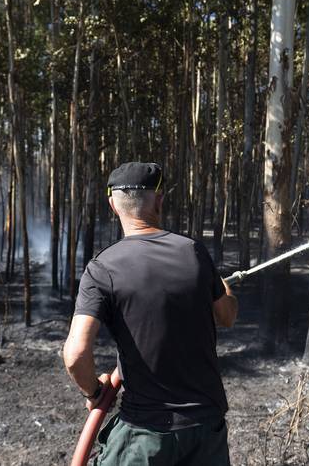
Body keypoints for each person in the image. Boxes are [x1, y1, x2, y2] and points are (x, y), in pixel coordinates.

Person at [63, 162, 238, 465]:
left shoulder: (102, 268)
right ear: (159, 200)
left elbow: (76, 354)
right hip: (206, 430)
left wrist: (94, 392)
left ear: (113, 206)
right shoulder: (194, 252)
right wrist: (224, 287)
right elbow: (228, 316)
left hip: (145, 435)